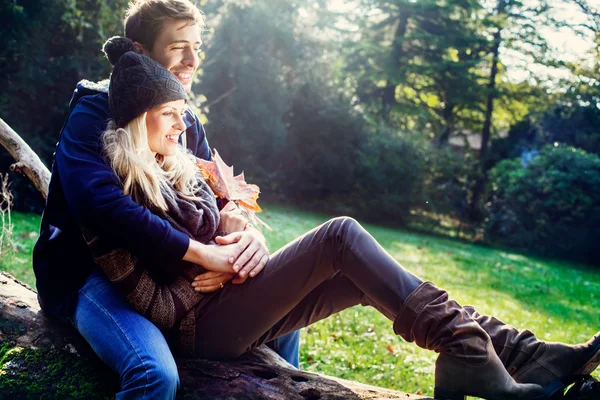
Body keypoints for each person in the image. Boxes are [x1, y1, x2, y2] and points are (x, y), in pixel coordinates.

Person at [85, 36, 600, 400]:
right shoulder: (117, 197)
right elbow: (153, 306)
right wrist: (213, 270)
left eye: (181, 110)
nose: (182, 122)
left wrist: (240, 241)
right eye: (169, 113)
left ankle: (520, 353)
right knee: (340, 236)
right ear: (136, 120)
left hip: (230, 301)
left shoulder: (175, 164)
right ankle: (468, 352)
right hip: (197, 330)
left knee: (365, 275)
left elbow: (225, 218)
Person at [32, 1, 299, 398]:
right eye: (178, 47)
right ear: (139, 51)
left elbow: (219, 199)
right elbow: (98, 203)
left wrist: (247, 241)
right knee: (153, 374)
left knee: (285, 312)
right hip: (87, 275)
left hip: (164, 275)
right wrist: (203, 254)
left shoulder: (186, 122)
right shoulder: (94, 110)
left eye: (197, 47)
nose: (192, 59)